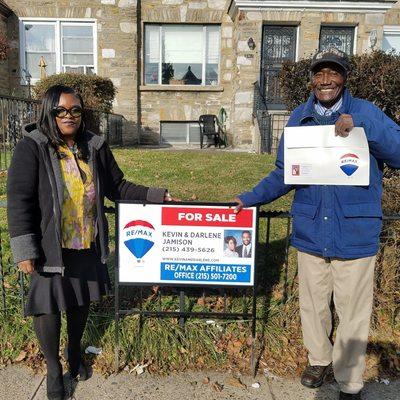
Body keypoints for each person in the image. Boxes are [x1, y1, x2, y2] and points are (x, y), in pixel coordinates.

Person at [234, 48, 400, 400]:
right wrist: (249, 198)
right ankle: (318, 358)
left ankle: (350, 380)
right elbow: (284, 173)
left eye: (333, 73)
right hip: (311, 230)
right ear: (311, 79)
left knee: (353, 311)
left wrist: (364, 128)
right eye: (319, 74)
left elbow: (398, 153)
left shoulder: (366, 112)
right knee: (312, 304)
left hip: (354, 231)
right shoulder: (298, 118)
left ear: (345, 78)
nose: (325, 81)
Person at [7, 85, 174, 400]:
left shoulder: (94, 146)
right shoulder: (32, 147)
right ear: (49, 112)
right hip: (50, 245)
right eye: (61, 110)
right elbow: (19, 200)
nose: (69, 116)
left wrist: (157, 196)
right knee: (48, 306)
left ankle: (74, 353)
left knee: (80, 301)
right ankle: (54, 369)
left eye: (75, 110)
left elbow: (118, 186)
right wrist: (24, 249)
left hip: (86, 240)